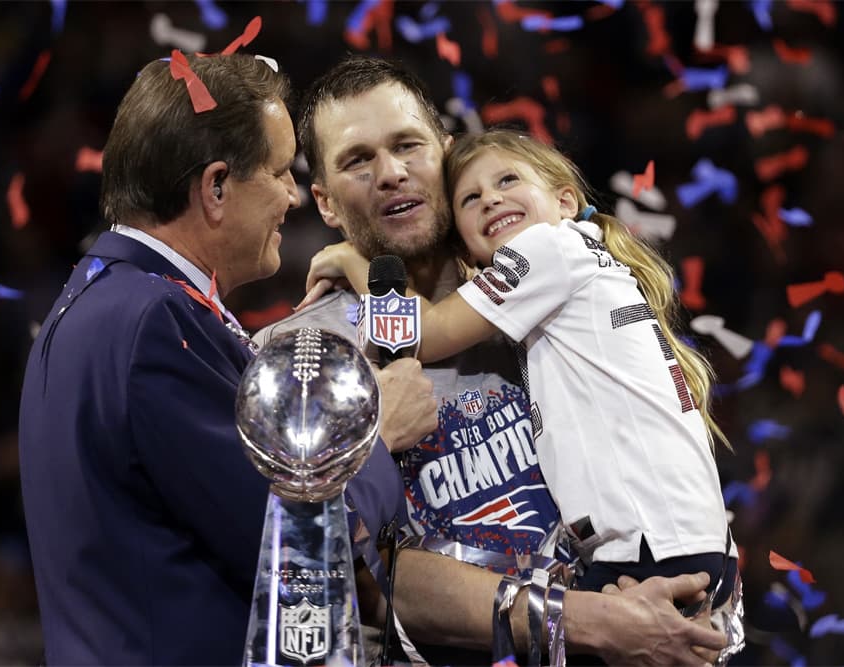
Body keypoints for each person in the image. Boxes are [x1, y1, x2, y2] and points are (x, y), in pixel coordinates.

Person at [254, 55, 727, 665]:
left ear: (445, 153)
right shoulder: (300, 362)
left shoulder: (543, 303)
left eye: (408, 145)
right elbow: (341, 580)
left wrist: (698, 615)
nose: (392, 173)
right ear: (323, 202)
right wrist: (585, 620)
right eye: (357, 160)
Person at [17, 53, 436, 664]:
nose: (292, 197)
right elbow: (287, 551)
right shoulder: (154, 324)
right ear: (216, 187)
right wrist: (372, 437)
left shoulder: (99, 300)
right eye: (277, 172)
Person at [303, 128, 742, 614]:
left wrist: (353, 259)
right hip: (682, 541)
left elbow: (422, 333)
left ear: (566, 201)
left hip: (648, 553)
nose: (491, 199)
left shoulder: (549, 250)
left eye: (508, 180)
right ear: (467, 252)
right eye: (470, 198)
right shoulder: (579, 261)